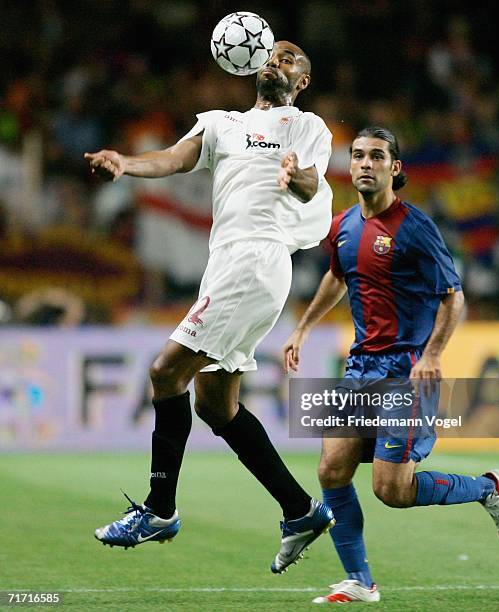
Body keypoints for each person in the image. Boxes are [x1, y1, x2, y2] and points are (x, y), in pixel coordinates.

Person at [85, 41, 335, 574]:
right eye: (272, 56)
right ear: (252, 67)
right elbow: (175, 159)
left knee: (165, 371)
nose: (277, 62)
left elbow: (315, 185)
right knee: (216, 406)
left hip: (257, 260)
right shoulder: (221, 122)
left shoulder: (307, 128)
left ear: (303, 81)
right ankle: (300, 511)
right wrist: (126, 163)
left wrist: (297, 175)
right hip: (225, 262)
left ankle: (159, 510)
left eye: (290, 58)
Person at [283, 126, 499, 603]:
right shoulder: (344, 224)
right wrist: (303, 327)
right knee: (331, 470)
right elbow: (338, 276)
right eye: (357, 155)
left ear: (396, 168)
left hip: (406, 370)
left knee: (391, 489)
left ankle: (488, 487)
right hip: (359, 368)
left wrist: (432, 355)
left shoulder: (415, 227)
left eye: (376, 156)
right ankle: (360, 582)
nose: (365, 163)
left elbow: (455, 300)